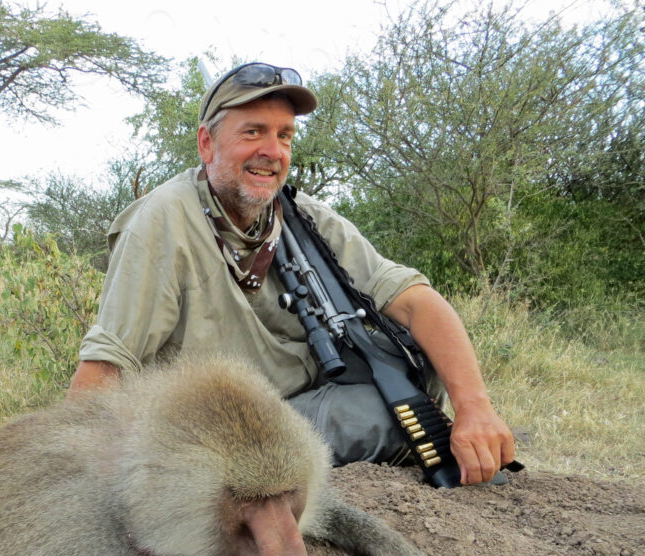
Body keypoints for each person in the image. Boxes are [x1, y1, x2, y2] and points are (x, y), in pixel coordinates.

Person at [68, 62, 516, 486]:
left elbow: (415, 300)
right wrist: (76, 475)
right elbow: (109, 362)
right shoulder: (166, 217)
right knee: (387, 419)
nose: (272, 151)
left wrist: (476, 408)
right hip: (210, 430)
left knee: (423, 372)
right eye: (253, 132)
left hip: (295, 405)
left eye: (284, 136)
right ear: (207, 144)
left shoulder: (302, 216)